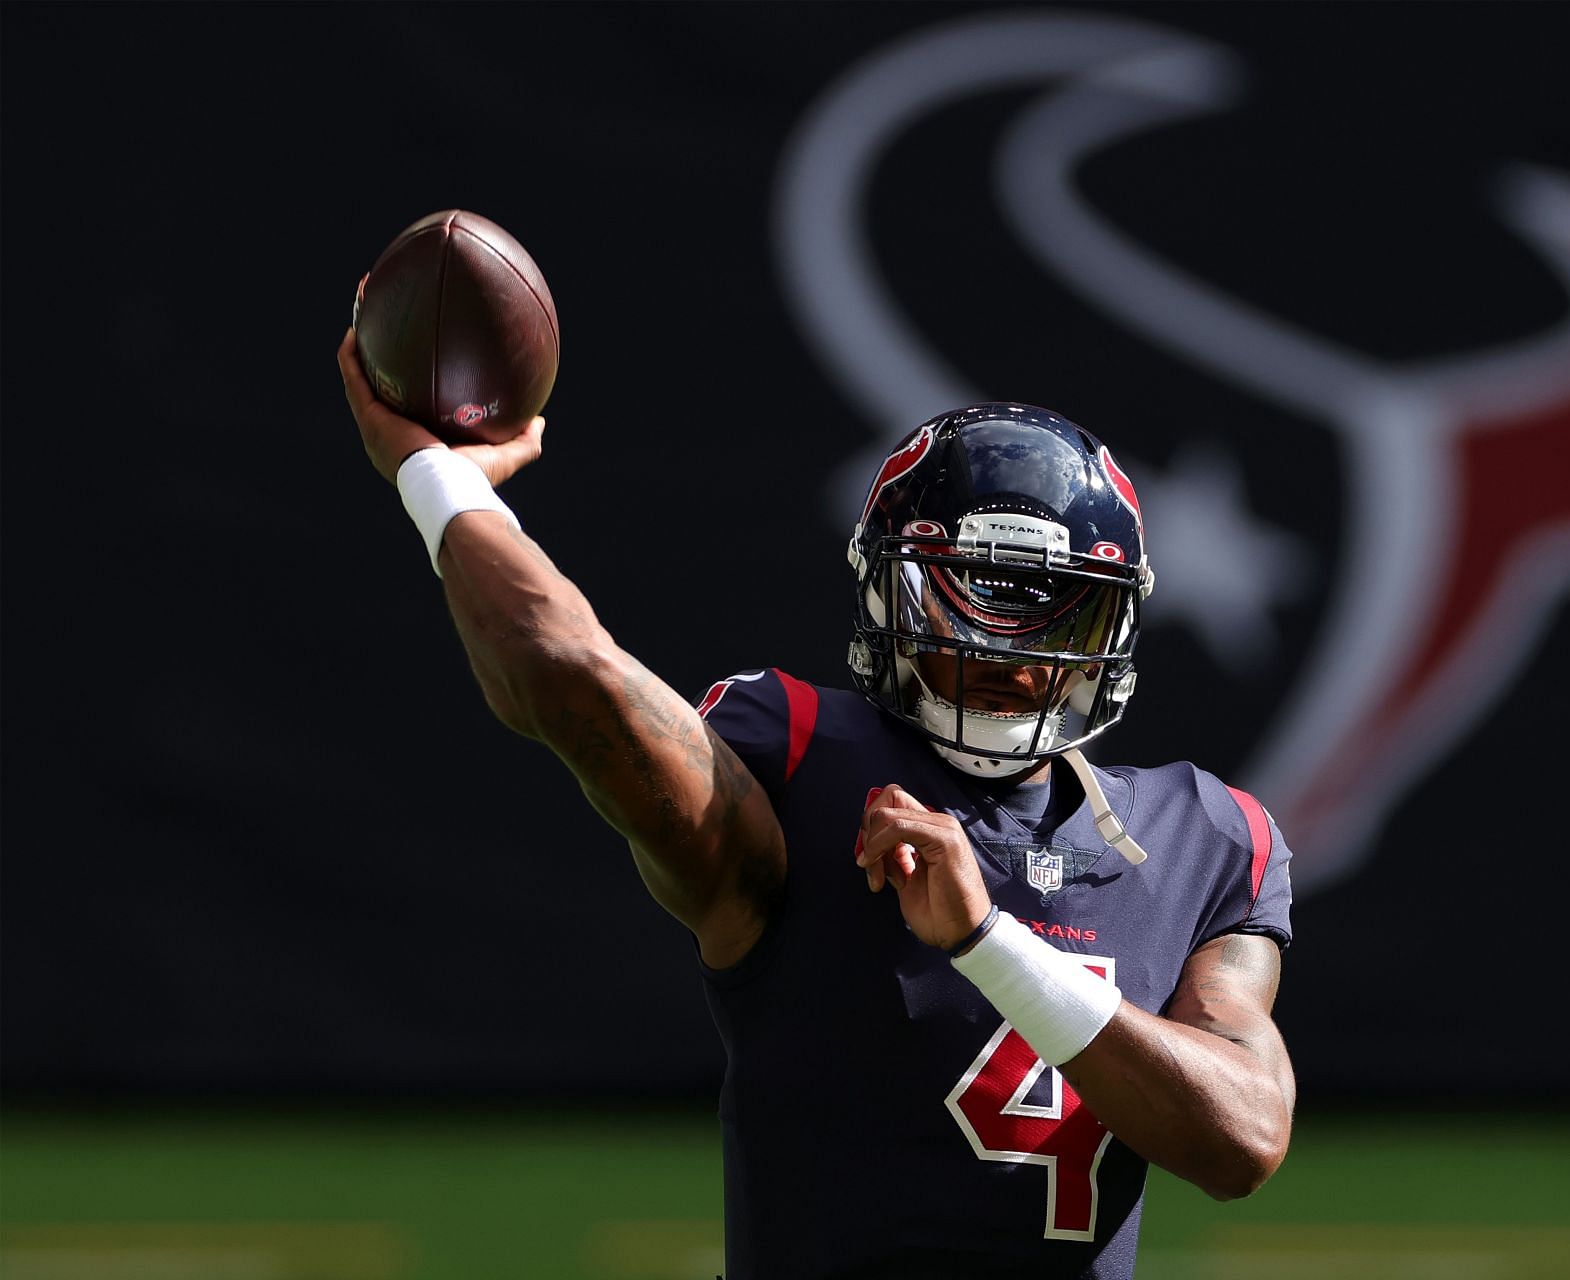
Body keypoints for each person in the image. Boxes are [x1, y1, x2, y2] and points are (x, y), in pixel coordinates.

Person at [338, 331, 1296, 1279]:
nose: (1007, 654)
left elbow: (1242, 1138)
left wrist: (988, 942)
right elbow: (567, 673)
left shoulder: (1203, 836)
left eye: (1054, 612)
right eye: (965, 604)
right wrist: (440, 480)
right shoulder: (800, 762)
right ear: (892, 596)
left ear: (1117, 623)